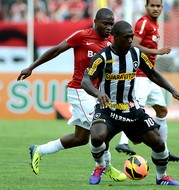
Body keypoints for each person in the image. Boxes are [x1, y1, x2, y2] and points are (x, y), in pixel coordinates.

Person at [17, 8, 126, 182]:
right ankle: (105, 167)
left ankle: (39, 150)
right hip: (79, 91)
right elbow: (56, 50)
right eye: (105, 23)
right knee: (100, 129)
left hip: (96, 93)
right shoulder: (82, 36)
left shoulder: (112, 42)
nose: (108, 27)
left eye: (111, 24)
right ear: (95, 21)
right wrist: (32, 67)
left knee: (80, 138)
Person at [81, 20, 179, 186]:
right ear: (115, 38)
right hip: (108, 109)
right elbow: (85, 81)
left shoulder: (136, 53)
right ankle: (100, 166)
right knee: (96, 136)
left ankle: (162, 177)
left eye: (132, 37)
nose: (131, 40)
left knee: (158, 142)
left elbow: (152, 74)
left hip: (132, 110)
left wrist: (172, 90)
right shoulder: (102, 57)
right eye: (127, 37)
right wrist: (98, 93)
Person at [114, 0, 179, 162]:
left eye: (158, 6)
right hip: (139, 76)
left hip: (149, 77)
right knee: (134, 110)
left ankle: (163, 150)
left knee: (162, 111)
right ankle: (123, 142)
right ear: (146, 7)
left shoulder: (154, 24)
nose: (155, 8)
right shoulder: (144, 22)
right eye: (152, 6)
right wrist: (157, 51)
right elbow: (134, 46)